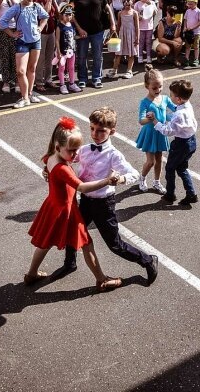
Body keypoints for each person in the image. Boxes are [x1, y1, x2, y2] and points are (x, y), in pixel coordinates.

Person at [60, 107, 159, 282]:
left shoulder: (113, 155)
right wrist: (53, 166)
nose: (95, 134)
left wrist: (119, 179)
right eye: (92, 128)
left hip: (103, 204)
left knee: (115, 245)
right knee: (72, 229)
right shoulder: (84, 149)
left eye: (101, 131)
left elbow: (134, 174)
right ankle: (70, 263)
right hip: (85, 200)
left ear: (111, 131)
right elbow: (67, 158)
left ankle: (148, 260)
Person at [24, 117, 123, 291]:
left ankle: (31, 274)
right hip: (66, 210)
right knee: (87, 244)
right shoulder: (62, 168)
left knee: (45, 243)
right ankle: (101, 280)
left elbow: (47, 167)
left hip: (53, 206)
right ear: (58, 147)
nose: (76, 155)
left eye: (77, 150)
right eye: (72, 151)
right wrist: (106, 181)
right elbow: (82, 187)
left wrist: (46, 171)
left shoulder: (51, 157)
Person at [0, 0, 49, 108]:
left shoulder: (36, 6)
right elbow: (2, 21)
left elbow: (45, 17)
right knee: (20, 71)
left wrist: (40, 28)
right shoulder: (17, 8)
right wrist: (12, 33)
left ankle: (29, 94)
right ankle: (24, 97)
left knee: (32, 69)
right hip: (22, 42)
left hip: (35, 41)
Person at [147, 79, 197, 205]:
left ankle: (170, 195)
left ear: (179, 99)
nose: (170, 97)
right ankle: (191, 193)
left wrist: (155, 121)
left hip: (181, 144)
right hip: (191, 141)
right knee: (182, 168)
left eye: (171, 95)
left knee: (170, 168)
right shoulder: (187, 105)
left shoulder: (179, 114)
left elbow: (168, 131)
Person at [71, 0, 115, 90]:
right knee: (81, 56)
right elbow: (71, 14)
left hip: (97, 31)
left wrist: (113, 24)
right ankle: (82, 78)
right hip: (82, 33)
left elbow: (107, 8)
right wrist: (79, 29)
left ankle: (96, 78)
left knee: (97, 55)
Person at [136, 64, 174, 194]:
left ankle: (157, 182)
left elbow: (175, 109)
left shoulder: (165, 99)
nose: (158, 90)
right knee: (150, 161)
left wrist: (183, 107)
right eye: (154, 88)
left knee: (159, 159)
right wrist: (150, 119)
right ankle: (142, 178)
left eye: (160, 86)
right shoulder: (145, 102)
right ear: (147, 86)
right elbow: (141, 121)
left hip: (160, 133)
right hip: (150, 134)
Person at [110, 0, 139, 79]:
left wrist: (137, 37)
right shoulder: (120, 13)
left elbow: (137, 26)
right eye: (124, 1)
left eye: (128, 0)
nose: (126, 2)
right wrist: (115, 35)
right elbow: (118, 25)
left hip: (131, 35)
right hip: (122, 35)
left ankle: (129, 71)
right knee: (118, 53)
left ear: (132, 1)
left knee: (131, 54)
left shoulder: (134, 13)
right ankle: (114, 70)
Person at [54, 3, 79, 94]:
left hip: (71, 51)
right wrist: (58, 51)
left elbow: (73, 37)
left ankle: (72, 83)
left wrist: (79, 37)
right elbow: (57, 40)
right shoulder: (59, 26)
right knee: (62, 68)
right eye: (67, 15)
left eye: (70, 14)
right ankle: (62, 84)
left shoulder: (71, 25)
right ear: (61, 15)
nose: (69, 17)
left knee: (71, 67)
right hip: (63, 52)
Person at [134, 0, 158, 64]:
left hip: (149, 27)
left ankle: (148, 56)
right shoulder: (138, 4)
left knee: (148, 42)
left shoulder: (152, 3)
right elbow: (135, 14)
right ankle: (140, 56)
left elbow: (155, 13)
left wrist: (152, 7)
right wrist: (139, 16)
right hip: (140, 27)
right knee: (141, 42)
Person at [182, 0, 200, 67]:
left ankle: (196, 59)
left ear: (196, 3)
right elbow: (185, 20)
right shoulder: (187, 11)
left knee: (196, 46)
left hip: (196, 33)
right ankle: (186, 59)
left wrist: (192, 27)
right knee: (187, 46)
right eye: (188, 4)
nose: (189, 5)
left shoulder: (198, 12)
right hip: (188, 32)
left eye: (191, 4)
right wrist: (185, 27)